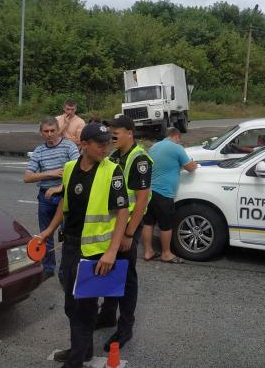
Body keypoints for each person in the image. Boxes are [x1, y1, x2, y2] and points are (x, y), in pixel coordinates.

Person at [37, 122, 129, 368]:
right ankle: (84, 350)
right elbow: (64, 203)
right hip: (71, 247)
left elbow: (123, 212)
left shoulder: (112, 171)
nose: (106, 149)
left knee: (85, 308)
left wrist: (111, 251)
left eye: (108, 144)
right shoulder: (69, 168)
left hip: (96, 252)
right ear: (84, 145)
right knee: (71, 305)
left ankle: (76, 360)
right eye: (101, 145)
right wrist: (48, 231)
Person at [96, 115, 152, 352]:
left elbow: (142, 200)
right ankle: (108, 314)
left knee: (126, 277)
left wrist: (129, 234)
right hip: (115, 225)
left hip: (129, 226)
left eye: (117, 132)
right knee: (111, 272)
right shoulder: (115, 156)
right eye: (111, 133)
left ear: (130, 132)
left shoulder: (139, 160)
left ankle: (125, 327)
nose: (113, 136)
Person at [24, 117, 79, 280]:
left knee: (68, 235)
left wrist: (60, 187)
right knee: (45, 235)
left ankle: (66, 271)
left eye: (52, 130)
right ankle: (48, 268)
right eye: (46, 131)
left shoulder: (69, 146)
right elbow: (27, 177)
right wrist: (51, 173)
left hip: (65, 196)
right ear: (41, 133)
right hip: (45, 198)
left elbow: (78, 171)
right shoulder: (39, 151)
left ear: (58, 130)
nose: (49, 134)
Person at [142, 127, 197, 263]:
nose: (179, 141)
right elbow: (190, 168)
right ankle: (166, 254)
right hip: (164, 193)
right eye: (179, 139)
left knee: (148, 223)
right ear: (176, 136)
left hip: (149, 192)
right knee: (166, 225)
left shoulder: (154, 147)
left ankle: (148, 251)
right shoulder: (177, 148)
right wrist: (195, 164)